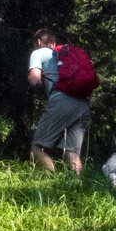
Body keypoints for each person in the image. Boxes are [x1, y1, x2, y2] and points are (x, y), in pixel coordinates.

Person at [27, 28, 87, 174]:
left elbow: (34, 80)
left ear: (39, 42)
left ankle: (52, 182)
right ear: (54, 43)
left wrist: (38, 82)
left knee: (37, 147)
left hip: (61, 100)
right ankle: (78, 187)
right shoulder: (62, 54)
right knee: (71, 152)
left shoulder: (38, 52)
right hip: (82, 104)